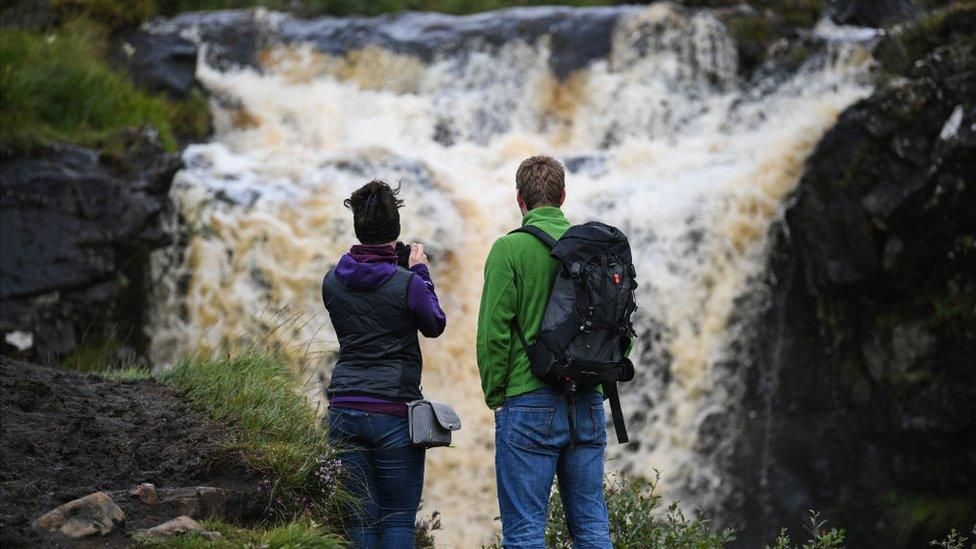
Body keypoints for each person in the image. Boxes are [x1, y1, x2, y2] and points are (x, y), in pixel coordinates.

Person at [477, 155, 613, 548]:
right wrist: (598, 386)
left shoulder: (509, 250)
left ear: (519, 199)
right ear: (563, 196)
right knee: (591, 529)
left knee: (524, 535)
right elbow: (620, 326)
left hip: (528, 403)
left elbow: (492, 335)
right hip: (587, 401)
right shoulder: (594, 248)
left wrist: (497, 395)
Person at [323, 180, 447, 549]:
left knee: (360, 519)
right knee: (396, 520)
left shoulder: (331, 282)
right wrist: (420, 272)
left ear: (359, 230)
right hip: (393, 411)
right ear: (395, 232)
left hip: (344, 407)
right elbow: (435, 324)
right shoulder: (407, 282)